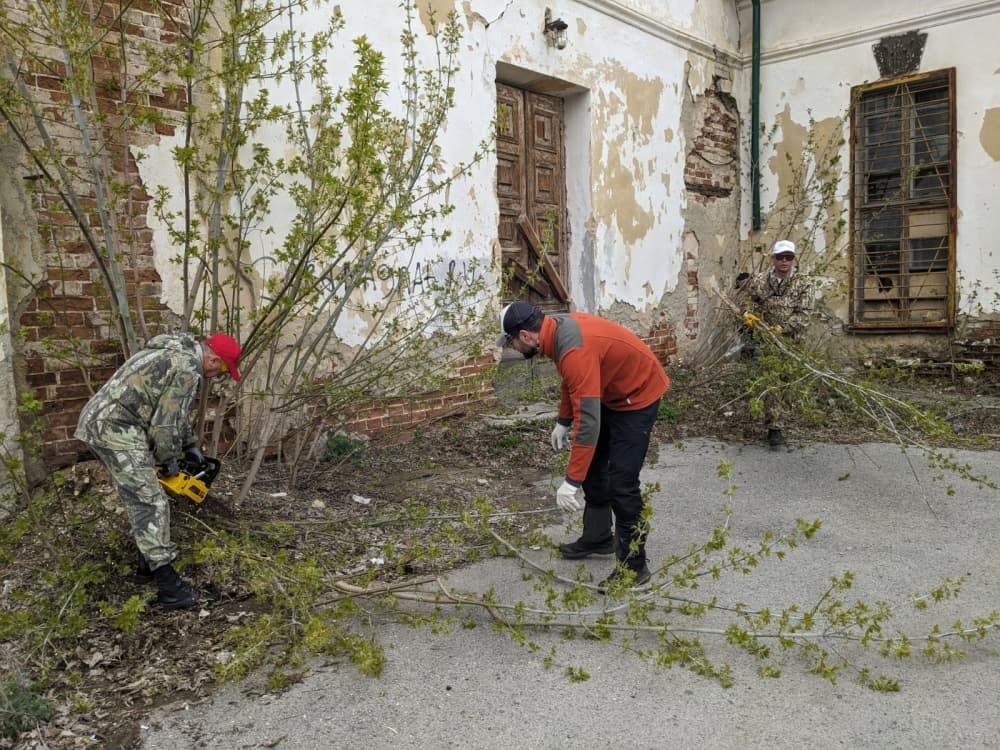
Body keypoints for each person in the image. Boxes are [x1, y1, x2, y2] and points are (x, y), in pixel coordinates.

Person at [497, 301, 669, 591]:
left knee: (623, 482)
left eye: (511, 341)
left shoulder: (572, 346)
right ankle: (599, 536)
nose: (512, 347)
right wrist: (563, 420)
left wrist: (570, 482)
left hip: (639, 394)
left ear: (526, 335)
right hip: (611, 390)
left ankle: (634, 568)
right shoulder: (555, 331)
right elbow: (572, 381)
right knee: (594, 467)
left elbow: (588, 424)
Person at [74, 332, 242, 610]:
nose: (218, 375)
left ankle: (146, 567)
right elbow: (164, 427)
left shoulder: (174, 353)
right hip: (117, 429)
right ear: (212, 358)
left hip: (100, 421)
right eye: (222, 368)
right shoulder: (189, 369)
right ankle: (170, 588)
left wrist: (189, 446)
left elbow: (169, 413)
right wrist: (169, 459)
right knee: (151, 502)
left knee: (141, 496)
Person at [741, 239, 813, 449]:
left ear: (793, 259)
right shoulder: (761, 280)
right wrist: (749, 314)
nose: (784, 261)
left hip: (791, 341)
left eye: (788, 257)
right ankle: (775, 428)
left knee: (787, 382)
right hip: (766, 340)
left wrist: (784, 329)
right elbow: (749, 299)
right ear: (773, 259)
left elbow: (805, 315)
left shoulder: (803, 283)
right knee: (771, 381)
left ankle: (782, 417)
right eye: (780, 257)